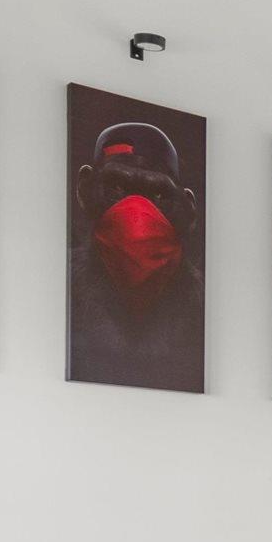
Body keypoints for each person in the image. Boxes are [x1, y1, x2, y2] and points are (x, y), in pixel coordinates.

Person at [68, 117, 204, 391]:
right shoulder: (61, 283)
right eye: (117, 188)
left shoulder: (202, 301)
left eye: (157, 195)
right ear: (86, 190)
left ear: (187, 209)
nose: (137, 215)